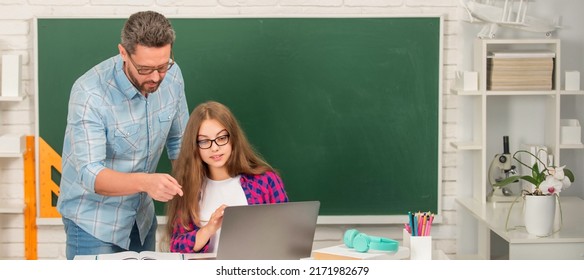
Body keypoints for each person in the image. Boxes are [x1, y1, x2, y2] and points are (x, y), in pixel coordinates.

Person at [57, 11, 189, 260]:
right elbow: (90, 174)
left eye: (162, 66)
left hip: (142, 219)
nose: (156, 77)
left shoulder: (172, 76)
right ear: (123, 53)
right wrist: (146, 183)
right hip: (93, 223)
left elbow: (180, 141)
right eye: (145, 69)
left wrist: (192, 196)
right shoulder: (89, 93)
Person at [165, 101, 288, 253]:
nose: (215, 147)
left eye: (221, 138)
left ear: (233, 139)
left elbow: (287, 236)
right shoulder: (188, 189)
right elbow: (176, 247)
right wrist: (209, 229)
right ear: (195, 147)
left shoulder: (266, 181)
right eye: (204, 141)